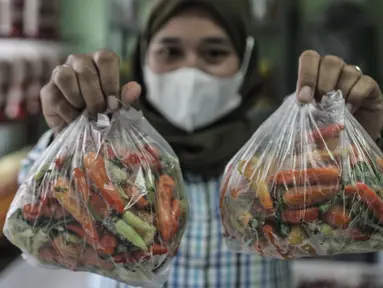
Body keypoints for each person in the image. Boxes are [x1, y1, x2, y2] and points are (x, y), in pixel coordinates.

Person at [19, 0, 383, 287]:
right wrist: (64, 140)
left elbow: (354, 225)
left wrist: (359, 153)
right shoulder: (106, 152)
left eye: (214, 53)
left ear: (246, 65)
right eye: (170, 51)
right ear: (142, 61)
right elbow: (31, 225)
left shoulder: (283, 159)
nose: (190, 70)